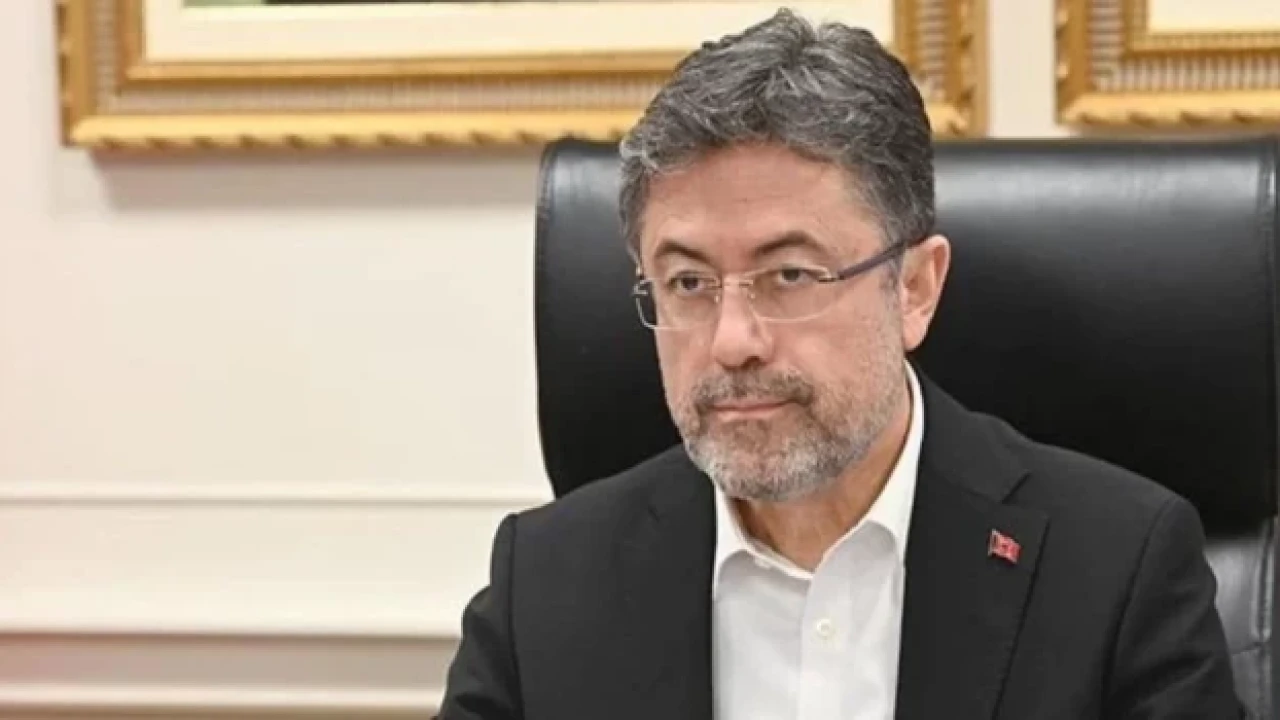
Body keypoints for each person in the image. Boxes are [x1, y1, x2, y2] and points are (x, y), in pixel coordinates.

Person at [438, 9, 1242, 719]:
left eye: (790, 275)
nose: (732, 341)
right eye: (688, 283)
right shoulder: (544, 585)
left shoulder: (1117, 568)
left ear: (915, 289)